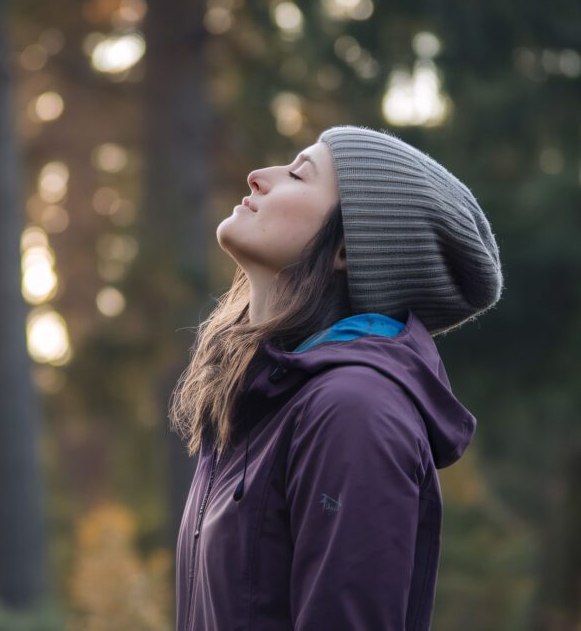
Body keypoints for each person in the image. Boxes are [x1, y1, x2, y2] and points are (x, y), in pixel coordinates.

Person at [171, 125, 504, 630]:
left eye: (299, 175)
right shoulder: (259, 403)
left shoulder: (353, 412)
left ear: (348, 249)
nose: (258, 176)